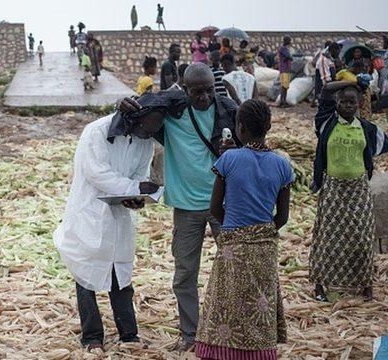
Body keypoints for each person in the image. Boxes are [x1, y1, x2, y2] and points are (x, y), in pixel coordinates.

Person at [119, 63, 240, 353]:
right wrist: (121, 105)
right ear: (185, 90)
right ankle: (191, 333)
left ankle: (233, 330)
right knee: (185, 274)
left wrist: (233, 149)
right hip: (186, 208)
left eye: (209, 90)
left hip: (223, 205)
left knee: (235, 269)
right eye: (198, 92)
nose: (204, 97)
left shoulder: (225, 110)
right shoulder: (171, 114)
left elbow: (251, 140)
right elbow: (135, 114)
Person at [54, 92, 168, 351]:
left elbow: (140, 173)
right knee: (86, 274)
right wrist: (134, 187)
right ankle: (92, 336)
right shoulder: (96, 131)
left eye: (155, 128)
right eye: (147, 126)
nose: (150, 132)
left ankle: (129, 334)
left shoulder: (145, 141)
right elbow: (97, 174)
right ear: (134, 119)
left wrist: (136, 198)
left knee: (121, 274)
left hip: (118, 216)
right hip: (89, 212)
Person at [196, 99, 292, 359]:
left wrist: (237, 227)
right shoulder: (283, 165)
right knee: (260, 304)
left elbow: (215, 207)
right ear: (269, 126)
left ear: (239, 127)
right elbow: (281, 217)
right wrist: (260, 230)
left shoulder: (229, 159)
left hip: (233, 247)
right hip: (264, 248)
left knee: (226, 304)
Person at [309, 78, 388, 303]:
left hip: (358, 189)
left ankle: (365, 284)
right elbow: (325, 90)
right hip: (333, 188)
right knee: (327, 238)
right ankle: (320, 284)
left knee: (362, 236)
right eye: (343, 102)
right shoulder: (326, 123)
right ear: (337, 104)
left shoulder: (366, 129)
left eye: (352, 102)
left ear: (358, 104)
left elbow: (384, 143)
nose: (347, 106)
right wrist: (354, 81)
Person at [313, 42, 341, 107]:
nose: (339, 53)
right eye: (338, 51)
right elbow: (326, 81)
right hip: (324, 93)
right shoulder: (323, 60)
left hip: (330, 90)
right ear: (333, 50)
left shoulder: (330, 59)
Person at [278, 36, 293, 108]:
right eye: (289, 40)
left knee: (285, 86)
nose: (290, 42)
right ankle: (282, 102)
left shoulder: (285, 49)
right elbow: (289, 57)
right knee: (284, 86)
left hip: (286, 69)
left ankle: (283, 101)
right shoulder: (283, 49)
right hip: (284, 69)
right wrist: (290, 57)